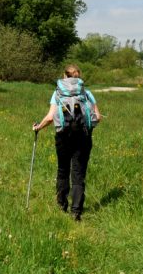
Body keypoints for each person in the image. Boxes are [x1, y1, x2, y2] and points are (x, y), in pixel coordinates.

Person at [32, 64, 101, 221]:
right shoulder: (86, 93)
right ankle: (76, 212)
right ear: (79, 77)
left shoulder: (57, 94)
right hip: (83, 137)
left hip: (63, 136)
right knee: (78, 173)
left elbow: (50, 117)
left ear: (64, 76)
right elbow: (97, 117)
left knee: (63, 170)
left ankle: (61, 205)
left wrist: (38, 127)